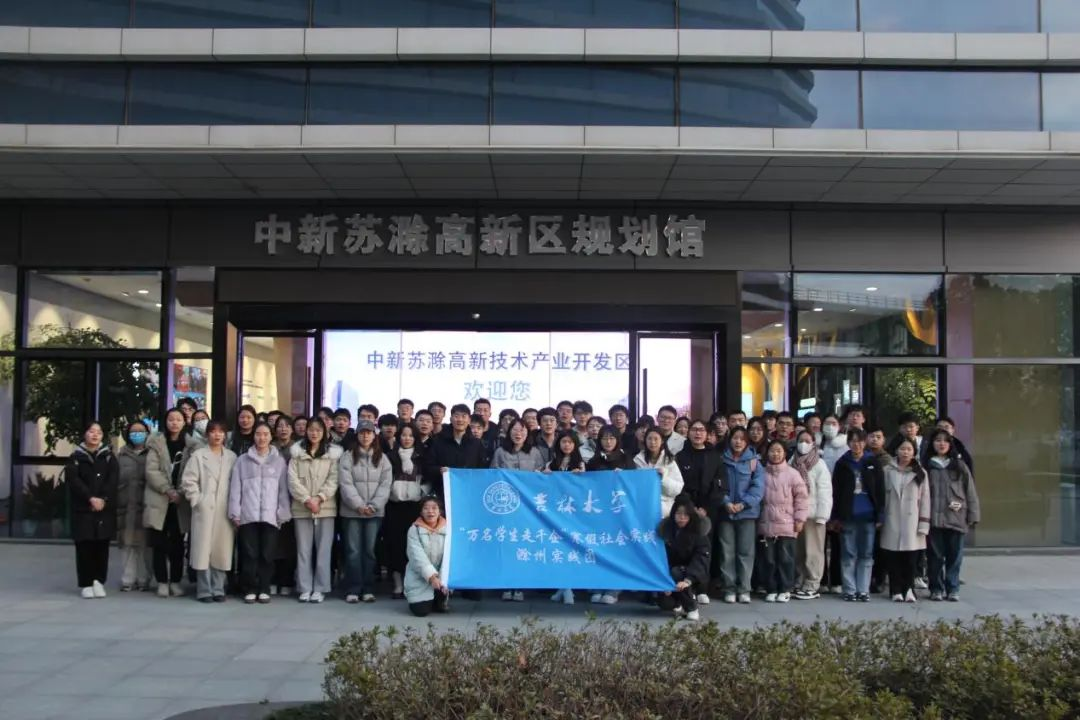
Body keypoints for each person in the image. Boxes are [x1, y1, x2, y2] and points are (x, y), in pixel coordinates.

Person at [228, 421, 290, 604]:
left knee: (267, 554)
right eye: (258, 434)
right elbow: (235, 488)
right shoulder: (242, 460)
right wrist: (235, 512)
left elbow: (283, 490)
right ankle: (249, 588)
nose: (262, 438)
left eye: (265, 434)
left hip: (271, 516)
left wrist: (282, 512)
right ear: (253, 436)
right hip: (248, 515)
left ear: (271, 437)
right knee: (249, 554)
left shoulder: (279, 461)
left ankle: (264, 588)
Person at [182, 419, 238, 603]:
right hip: (204, 509)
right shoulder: (198, 455)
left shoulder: (231, 457)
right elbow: (189, 481)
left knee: (221, 550)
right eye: (213, 431)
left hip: (224, 508)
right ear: (207, 434)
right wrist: (198, 500)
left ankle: (218, 588)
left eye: (221, 431)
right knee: (203, 550)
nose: (217, 435)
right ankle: (204, 590)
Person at [492, 419, 546, 603]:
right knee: (507, 544)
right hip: (506, 505)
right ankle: (507, 585)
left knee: (523, 544)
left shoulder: (534, 452)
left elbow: (541, 477)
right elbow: (492, 475)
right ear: (509, 432)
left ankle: (520, 585)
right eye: (515, 430)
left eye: (522, 430)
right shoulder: (500, 452)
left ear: (527, 433)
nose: (518, 434)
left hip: (527, 507)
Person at [288, 417, 342, 604]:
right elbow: (292, 480)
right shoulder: (296, 453)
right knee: (303, 550)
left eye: (318, 430)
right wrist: (307, 499)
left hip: (325, 508)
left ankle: (320, 588)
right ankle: (304, 588)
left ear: (324, 432)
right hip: (301, 507)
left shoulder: (332, 454)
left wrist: (319, 498)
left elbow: (334, 479)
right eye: (311, 429)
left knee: (323, 550)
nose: (314, 433)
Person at [339, 419, 392, 604]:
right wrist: (358, 505)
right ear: (357, 435)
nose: (365, 436)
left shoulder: (382, 458)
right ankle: (353, 588)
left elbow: (385, 485)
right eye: (362, 432)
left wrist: (373, 506)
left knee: (370, 551)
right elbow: (345, 484)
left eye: (369, 433)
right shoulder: (347, 457)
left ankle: (368, 588)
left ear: (374, 435)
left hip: (374, 513)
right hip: (351, 512)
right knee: (353, 551)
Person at [829, 429, 885, 603]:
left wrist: (880, 515)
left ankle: (863, 589)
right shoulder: (842, 463)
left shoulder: (872, 462)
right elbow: (836, 492)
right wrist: (835, 516)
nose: (857, 444)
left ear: (864, 442)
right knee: (848, 553)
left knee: (866, 554)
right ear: (848, 443)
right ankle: (849, 589)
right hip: (848, 514)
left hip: (868, 514)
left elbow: (880, 490)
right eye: (853, 441)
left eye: (860, 441)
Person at [925, 429, 980, 602]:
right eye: (937, 440)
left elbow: (970, 491)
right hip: (933, 519)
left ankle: (953, 588)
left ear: (950, 445)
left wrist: (973, 515)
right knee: (935, 557)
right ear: (932, 444)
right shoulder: (926, 466)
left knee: (955, 557)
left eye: (945, 441)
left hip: (956, 518)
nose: (941, 444)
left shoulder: (959, 466)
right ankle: (936, 588)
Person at [67, 421, 119, 599]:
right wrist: (90, 497)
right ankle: (86, 583)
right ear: (85, 434)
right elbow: (74, 481)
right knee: (84, 546)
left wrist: (103, 498)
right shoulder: (76, 457)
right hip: (83, 508)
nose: (95, 435)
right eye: (91, 431)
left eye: (99, 432)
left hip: (104, 508)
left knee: (102, 546)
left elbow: (113, 479)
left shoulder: (109, 457)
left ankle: (99, 581)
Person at [145, 408, 192, 598]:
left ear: (184, 422)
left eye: (178, 419)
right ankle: (162, 581)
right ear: (165, 422)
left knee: (178, 544)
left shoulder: (191, 445)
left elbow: (192, 471)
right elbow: (151, 471)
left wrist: (180, 491)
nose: (174, 423)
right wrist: (167, 489)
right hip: (160, 498)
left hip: (181, 500)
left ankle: (176, 581)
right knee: (159, 542)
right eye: (171, 419)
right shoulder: (156, 443)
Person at [675, 419, 722, 606]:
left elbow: (719, 485)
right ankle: (686, 587)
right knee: (684, 549)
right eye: (694, 429)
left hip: (707, 512)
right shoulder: (680, 456)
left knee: (704, 550)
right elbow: (679, 484)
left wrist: (706, 508)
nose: (697, 433)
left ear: (707, 434)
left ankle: (702, 587)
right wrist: (690, 508)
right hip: (686, 511)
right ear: (688, 433)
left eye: (701, 430)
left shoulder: (715, 456)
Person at [758, 440, 809, 603]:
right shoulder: (761, 473)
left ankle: (785, 588)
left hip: (787, 523)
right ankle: (771, 588)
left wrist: (800, 519)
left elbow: (801, 498)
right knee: (769, 560)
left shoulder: (793, 474)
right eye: (772, 450)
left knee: (786, 559)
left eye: (779, 451)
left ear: (785, 453)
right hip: (766, 523)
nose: (775, 454)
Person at [880, 438, 930, 604]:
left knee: (911, 558)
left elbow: (925, 499)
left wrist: (924, 523)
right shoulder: (887, 470)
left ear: (914, 452)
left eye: (909, 449)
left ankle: (909, 589)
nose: (905, 452)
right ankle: (895, 590)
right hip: (892, 518)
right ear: (896, 451)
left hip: (912, 521)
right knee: (893, 557)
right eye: (902, 449)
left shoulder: (920, 472)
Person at [384, 423, 425, 599]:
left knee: (414, 545)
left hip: (415, 506)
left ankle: (412, 582)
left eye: (410, 435)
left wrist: (421, 492)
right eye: (404, 435)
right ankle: (397, 583)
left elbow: (427, 479)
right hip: (394, 505)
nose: (407, 438)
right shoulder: (390, 456)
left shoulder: (421, 456)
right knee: (395, 544)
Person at [791, 430, 833, 600]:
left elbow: (825, 491)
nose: (804, 444)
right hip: (796, 514)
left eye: (807, 441)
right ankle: (800, 580)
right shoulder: (792, 461)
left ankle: (812, 583)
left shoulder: (819, 464)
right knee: (799, 551)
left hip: (814, 515)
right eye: (801, 440)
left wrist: (823, 515)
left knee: (813, 551)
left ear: (814, 443)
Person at [656, 495, 711, 622]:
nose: (682, 518)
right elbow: (662, 558)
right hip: (671, 573)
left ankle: (692, 608)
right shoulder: (667, 530)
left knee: (677, 572)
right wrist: (664, 581)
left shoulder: (699, 532)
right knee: (665, 603)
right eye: (678, 514)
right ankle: (677, 602)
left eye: (686, 515)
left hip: (692, 574)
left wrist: (688, 580)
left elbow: (701, 559)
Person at [423, 403, 486, 500]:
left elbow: (482, 470)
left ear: (469, 420)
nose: (460, 419)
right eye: (456, 416)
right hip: (443, 493)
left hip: (468, 492)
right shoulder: (438, 441)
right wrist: (440, 470)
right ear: (451, 419)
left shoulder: (476, 444)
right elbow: (428, 467)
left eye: (464, 416)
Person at [116, 421, 151, 592]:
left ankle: (144, 579)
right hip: (126, 505)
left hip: (146, 505)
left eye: (141, 431)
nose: (137, 434)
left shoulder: (151, 453)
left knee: (145, 546)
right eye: (134, 431)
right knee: (127, 544)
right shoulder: (121, 455)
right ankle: (127, 579)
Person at [405, 496, 449, 617]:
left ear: (440, 511)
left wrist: (444, 578)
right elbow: (416, 556)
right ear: (421, 512)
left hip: (440, 576)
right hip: (419, 575)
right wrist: (431, 577)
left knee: (440, 608)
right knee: (420, 611)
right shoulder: (414, 530)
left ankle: (440, 597)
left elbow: (449, 556)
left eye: (434, 508)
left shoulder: (449, 529)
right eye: (426, 508)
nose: (430, 511)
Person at [818, 413, 848, 594]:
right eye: (827, 423)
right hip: (819, 497)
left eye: (833, 423)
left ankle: (836, 580)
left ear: (839, 426)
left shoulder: (845, 446)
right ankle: (821, 579)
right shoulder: (816, 444)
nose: (830, 426)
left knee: (837, 543)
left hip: (837, 497)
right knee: (820, 543)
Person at [634, 428, 685, 519]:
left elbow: (677, 489)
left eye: (656, 439)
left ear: (662, 441)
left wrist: (664, 479)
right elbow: (632, 483)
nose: (652, 442)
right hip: (643, 507)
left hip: (665, 509)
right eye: (649, 439)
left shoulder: (669, 461)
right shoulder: (637, 460)